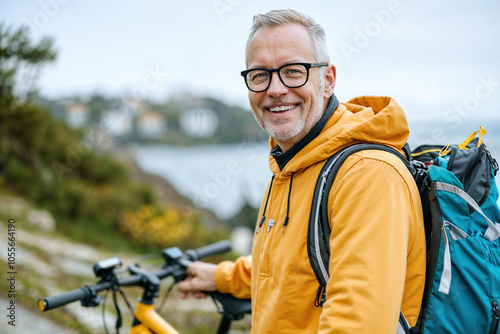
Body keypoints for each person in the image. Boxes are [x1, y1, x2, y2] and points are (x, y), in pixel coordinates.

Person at [177, 9, 426, 333]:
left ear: (328, 80)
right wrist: (223, 277)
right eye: (259, 75)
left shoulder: (368, 175)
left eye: (293, 71)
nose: (275, 89)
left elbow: (357, 325)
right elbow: (296, 264)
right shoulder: (294, 162)